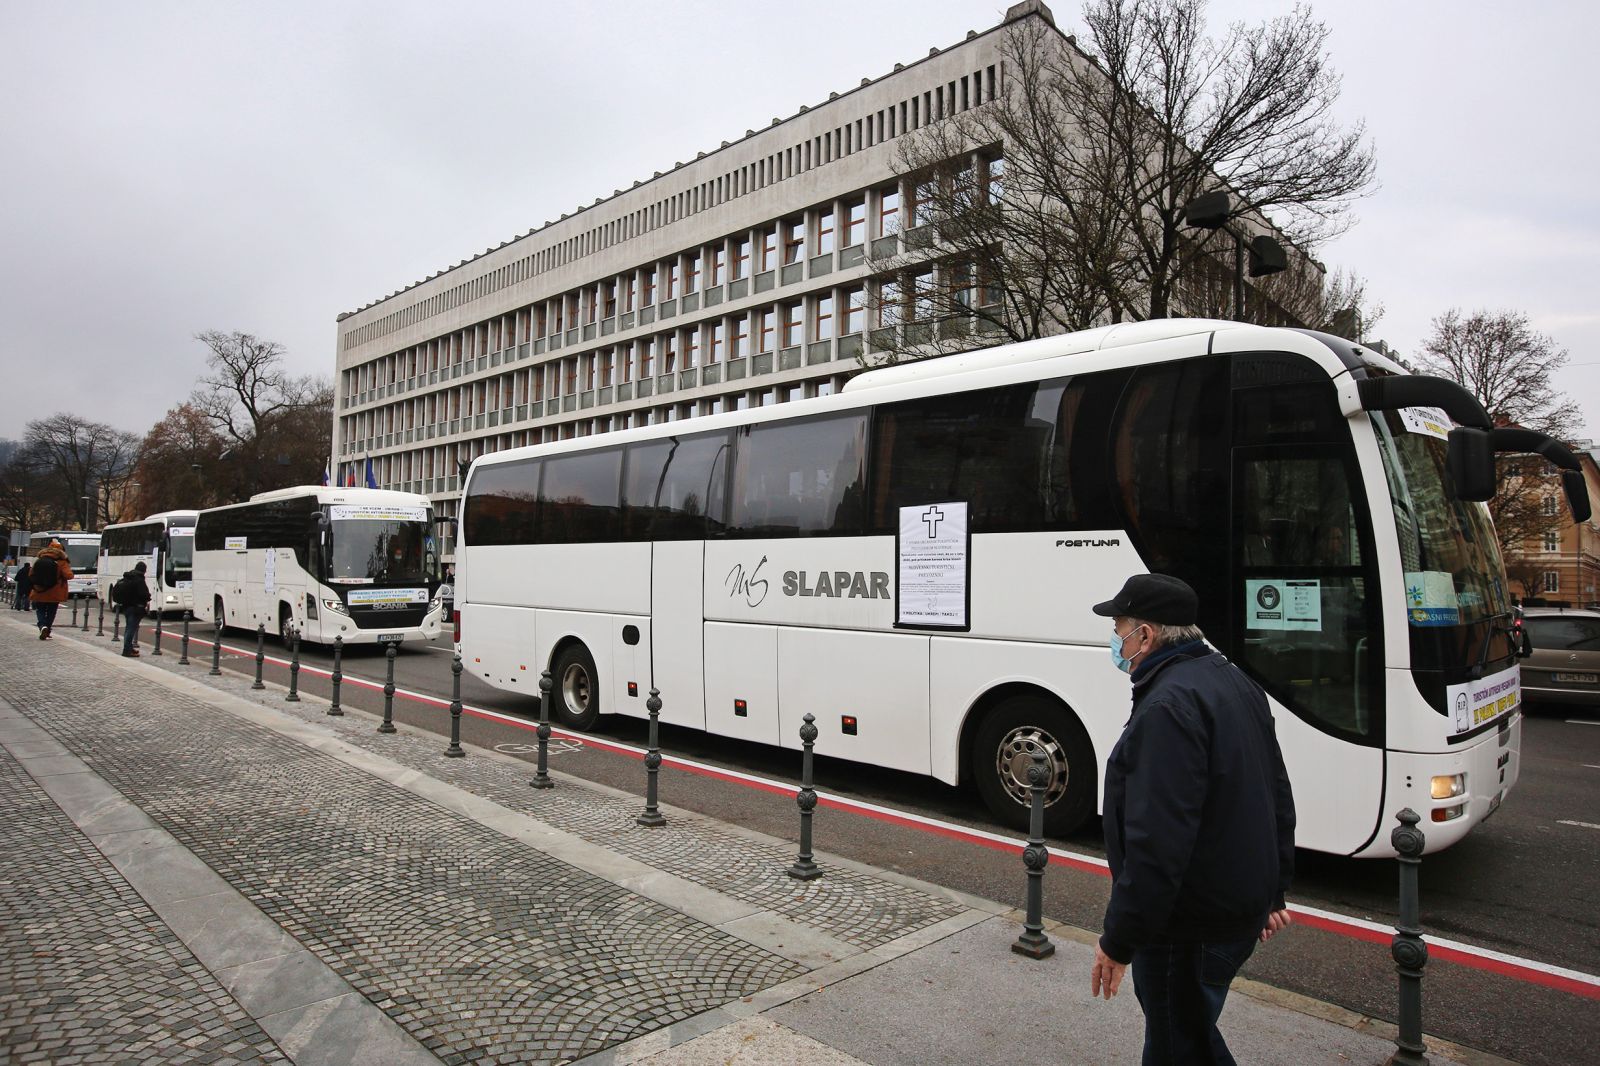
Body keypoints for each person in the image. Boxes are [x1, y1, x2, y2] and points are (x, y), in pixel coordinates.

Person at [1088, 572, 1296, 1065]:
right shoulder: (1229, 680)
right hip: (1229, 910)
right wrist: (1272, 891)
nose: (1116, 640)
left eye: (1119, 628)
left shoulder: (1168, 705)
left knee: (1180, 1044)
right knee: (1185, 1036)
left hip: (1187, 926)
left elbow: (1157, 841)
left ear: (1147, 634)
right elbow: (1276, 794)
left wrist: (1118, 942)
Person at [28, 540, 73, 640]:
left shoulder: (39, 559)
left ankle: (42, 626)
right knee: (51, 612)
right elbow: (69, 575)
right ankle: (47, 629)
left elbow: (31, 574)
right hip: (55, 592)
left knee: (40, 610)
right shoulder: (61, 561)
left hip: (39, 591)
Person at [113, 560, 153, 657]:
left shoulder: (128, 577)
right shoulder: (139, 580)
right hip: (136, 608)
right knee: (131, 629)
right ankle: (127, 650)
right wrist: (148, 596)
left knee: (128, 628)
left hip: (126, 607)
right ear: (143, 570)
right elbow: (143, 594)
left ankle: (129, 648)